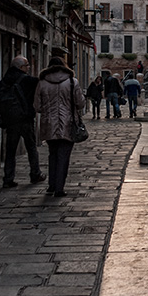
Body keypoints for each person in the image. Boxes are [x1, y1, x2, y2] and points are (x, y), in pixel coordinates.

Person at [33, 56, 85, 198]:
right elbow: (80, 103)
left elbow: (37, 106)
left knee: (53, 154)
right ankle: (59, 188)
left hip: (48, 124)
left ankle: (51, 185)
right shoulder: (72, 82)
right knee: (63, 156)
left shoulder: (42, 83)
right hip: (68, 123)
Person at [0, 56, 46, 188]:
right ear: (21, 67)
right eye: (27, 65)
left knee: (10, 150)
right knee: (32, 147)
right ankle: (35, 174)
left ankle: (8, 178)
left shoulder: (4, 80)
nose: (28, 67)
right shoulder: (27, 80)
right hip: (25, 119)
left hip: (11, 120)